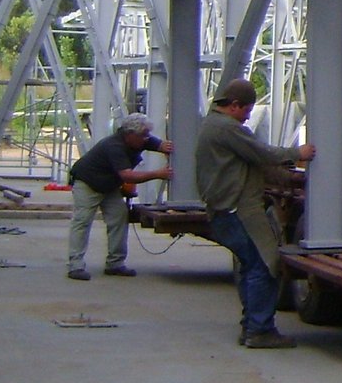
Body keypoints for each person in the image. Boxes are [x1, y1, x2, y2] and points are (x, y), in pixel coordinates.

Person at [197, 78, 316, 350]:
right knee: (265, 264)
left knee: (250, 265)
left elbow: (247, 161)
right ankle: (259, 330)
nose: (248, 116)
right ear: (235, 106)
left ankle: (251, 325)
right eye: (248, 110)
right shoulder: (227, 128)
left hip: (224, 209)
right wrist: (297, 153)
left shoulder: (211, 125)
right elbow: (260, 152)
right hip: (239, 208)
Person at [66, 114, 173, 281]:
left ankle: (115, 263)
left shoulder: (140, 138)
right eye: (143, 135)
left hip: (108, 185)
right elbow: (127, 176)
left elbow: (161, 145)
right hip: (87, 183)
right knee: (82, 221)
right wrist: (157, 174)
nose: (147, 139)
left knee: (119, 217)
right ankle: (75, 266)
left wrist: (168, 148)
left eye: (147, 134)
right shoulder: (114, 146)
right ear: (129, 134)